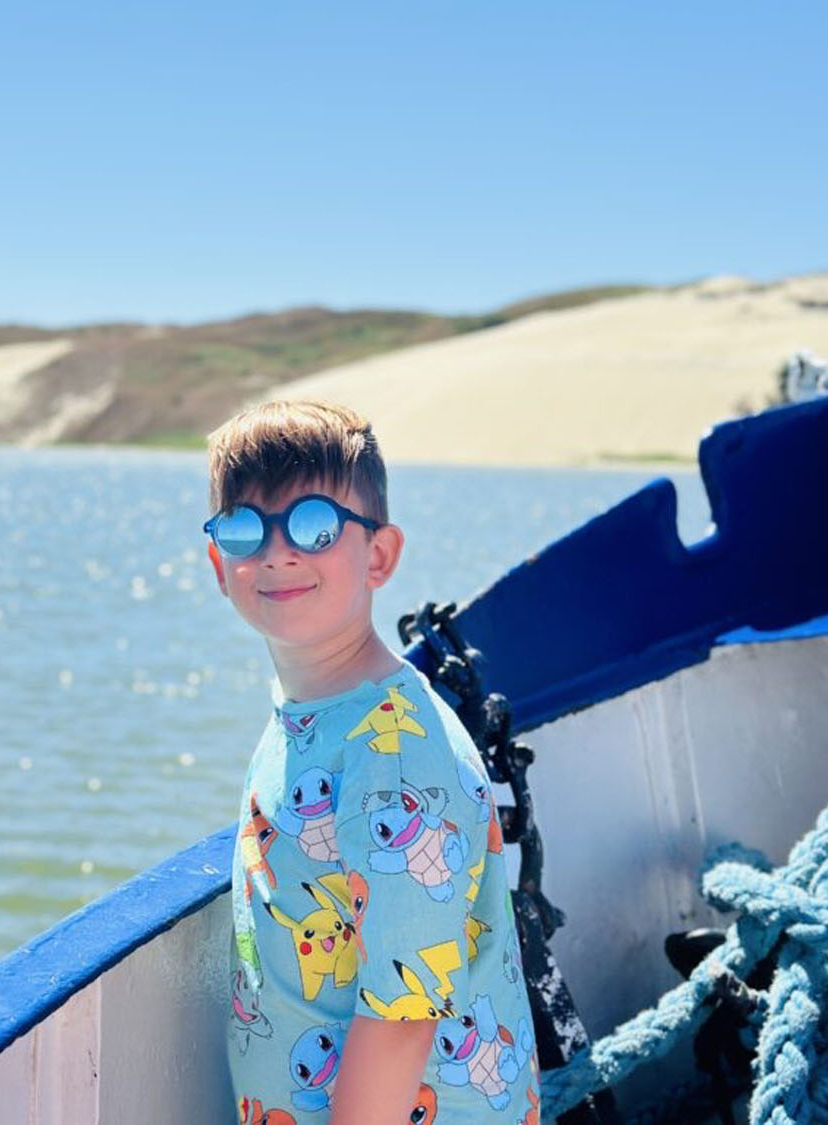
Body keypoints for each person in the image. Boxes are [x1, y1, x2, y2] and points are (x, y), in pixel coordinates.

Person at [207, 400, 540, 1125]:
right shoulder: (315, 711)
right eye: (243, 528)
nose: (277, 552)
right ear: (218, 564)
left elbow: (402, 1015)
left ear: (379, 555)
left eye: (315, 526)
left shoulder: (392, 757)